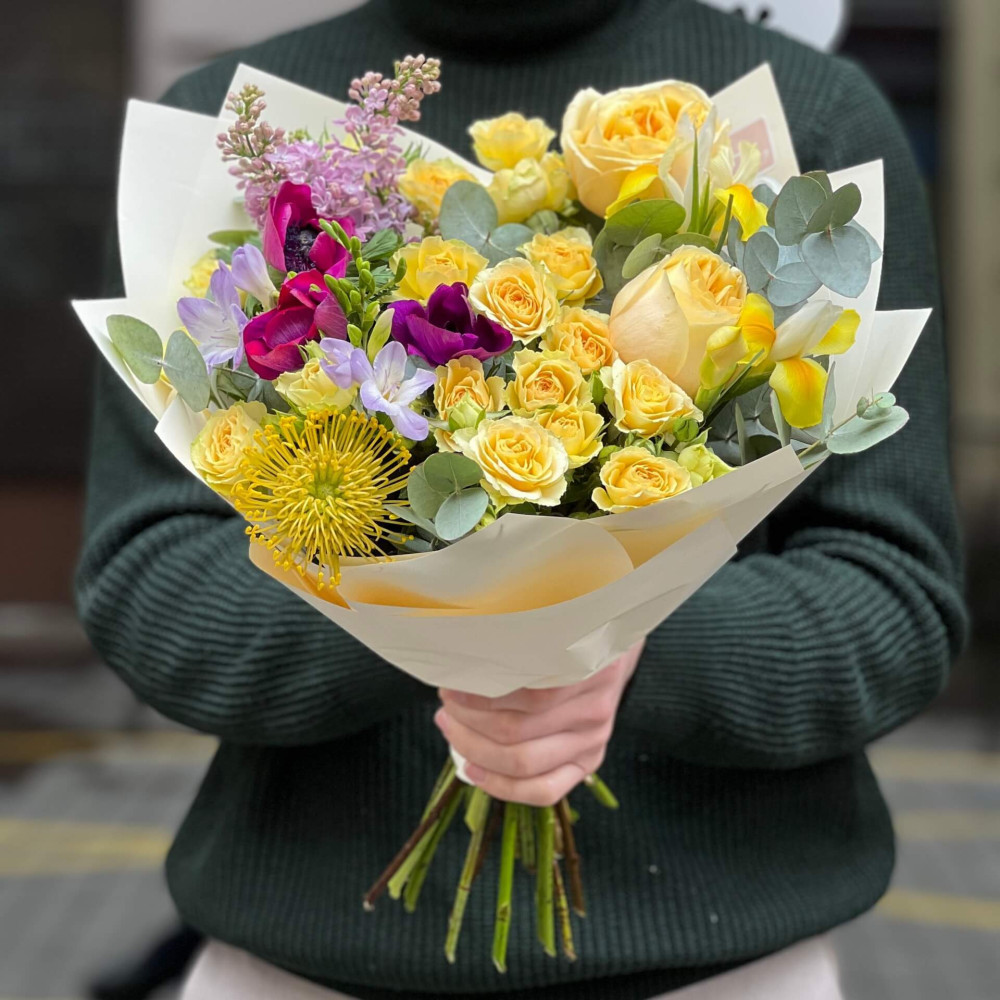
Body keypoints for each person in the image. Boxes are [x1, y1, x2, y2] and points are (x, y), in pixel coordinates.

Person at [75, 0, 967, 997]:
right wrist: (441, 621)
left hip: (726, 974)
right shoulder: (233, 135)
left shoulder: (813, 117)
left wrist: (628, 641)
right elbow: (147, 581)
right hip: (297, 973)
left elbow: (894, 595)